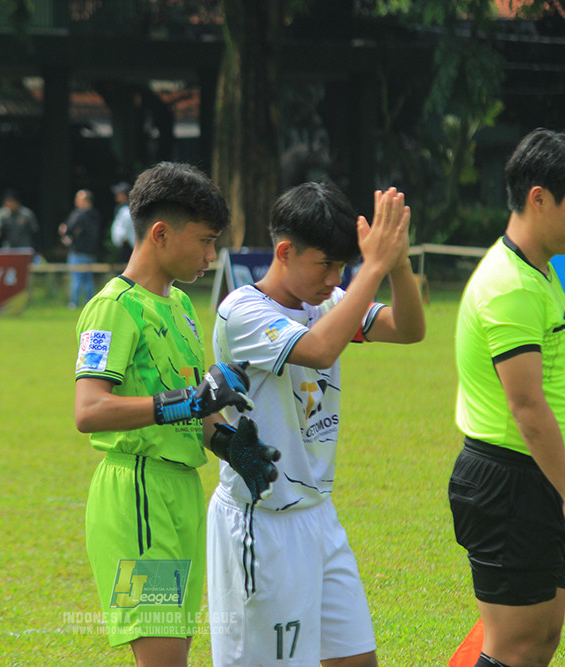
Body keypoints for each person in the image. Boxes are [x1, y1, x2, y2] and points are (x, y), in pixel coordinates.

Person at [208, 181, 425, 667]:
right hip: (262, 520)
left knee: (356, 660)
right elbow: (322, 348)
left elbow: (409, 329)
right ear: (284, 252)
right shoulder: (243, 310)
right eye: (325, 264)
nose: (335, 276)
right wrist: (371, 269)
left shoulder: (326, 302)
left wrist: (398, 264)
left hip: (318, 515)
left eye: (342, 265)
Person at [73, 161, 280, 667]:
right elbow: (89, 409)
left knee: (175, 654)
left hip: (183, 493)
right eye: (205, 242)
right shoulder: (114, 307)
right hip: (138, 495)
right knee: (163, 658)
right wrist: (189, 402)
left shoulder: (183, 306)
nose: (213, 256)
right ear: (160, 234)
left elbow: (200, 414)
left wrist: (232, 446)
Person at [449, 128, 565, 667]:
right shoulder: (511, 286)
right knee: (514, 648)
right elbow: (527, 407)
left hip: (531, 476)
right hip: (507, 481)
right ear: (538, 198)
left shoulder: (537, 271)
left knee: (541, 640)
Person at [59, 188, 102, 308]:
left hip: (78, 251)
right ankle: (90, 303)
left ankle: (74, 303)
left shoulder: (79, 214)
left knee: (76, 278)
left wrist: (64, 231)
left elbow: (68, 228)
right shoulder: (95, 214)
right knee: (88, 279)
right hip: (91, 252)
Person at [0, 188, 39, 252]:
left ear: (17, 202)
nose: (8, 204)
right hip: (8, 248)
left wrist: (37, 250)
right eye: (6, 201)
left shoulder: (27, 214)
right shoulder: (1, 214)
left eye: (11, 201)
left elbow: (35, 232)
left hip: (25, 247)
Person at [110, 181, 135, 264]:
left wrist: (120, 239)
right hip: (124, 245)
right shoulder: (120, 208)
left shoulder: (127, 210)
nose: (116, 195)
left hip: (128, 244)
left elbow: (125, 230)